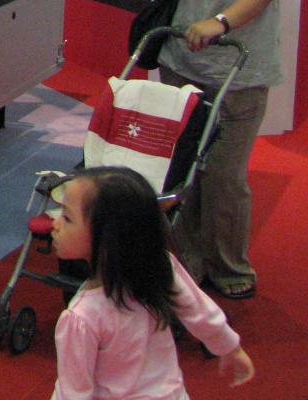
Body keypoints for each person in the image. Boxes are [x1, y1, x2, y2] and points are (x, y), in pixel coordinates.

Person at [142, 0, 292, 301]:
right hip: (179, 65)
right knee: (183, 170)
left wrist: (220, 23)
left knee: (224, 177)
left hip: (238, 70)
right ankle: (188, 262)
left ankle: (229, 265)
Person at [49, 166, 254, 400]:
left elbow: (72, 392)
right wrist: (229, 346)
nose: (55, 223)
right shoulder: (159, 267)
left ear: (107, 237)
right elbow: (199, 310)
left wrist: (228, 345)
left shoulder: (80, 317)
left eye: (67, 218)